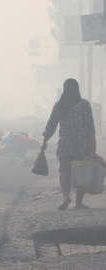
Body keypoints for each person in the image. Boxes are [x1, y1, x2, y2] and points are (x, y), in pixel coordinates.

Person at [41, 78, 96, 210]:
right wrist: (93, 144)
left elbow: (51, 125)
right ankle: (78, 203)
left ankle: (66, 197)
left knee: (64, 171)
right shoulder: (84, 104)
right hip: (82, 143)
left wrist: (44, 141)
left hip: (65, 142)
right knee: (80, 172)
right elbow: (89, 126)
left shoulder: (59, 104)